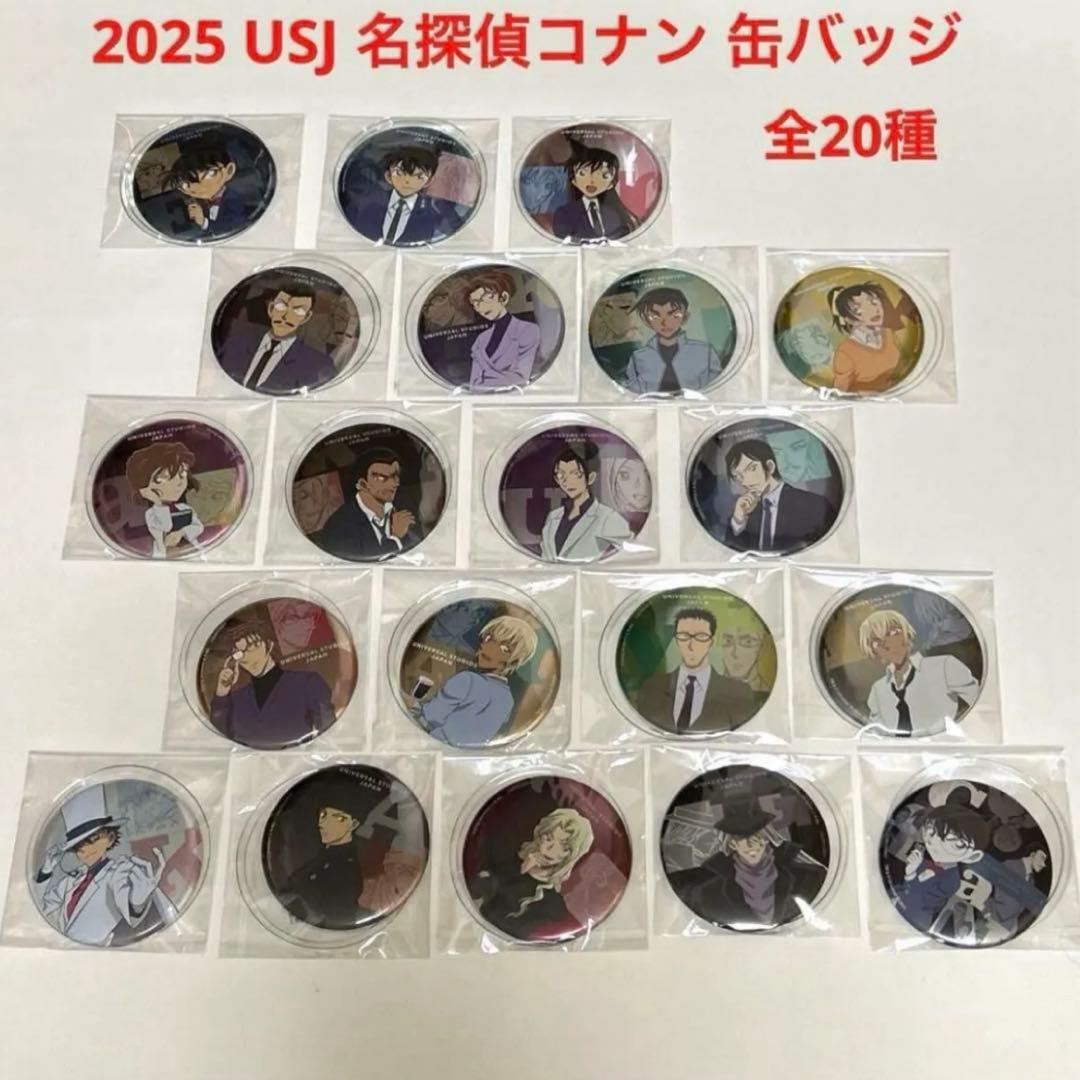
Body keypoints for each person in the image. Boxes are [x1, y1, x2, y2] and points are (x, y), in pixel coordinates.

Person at [34, 785, 177, 947]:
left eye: (93, 840)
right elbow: (42, 907)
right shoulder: (70, 881)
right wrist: (46, 871)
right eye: (78, 846)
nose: (85, 850)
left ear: (110, 838)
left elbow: (131, 909)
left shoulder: (120, 871)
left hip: (106, 956)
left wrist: (138, 902)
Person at [667, 797, 828, 929]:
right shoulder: (706, 891)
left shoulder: (810, 877)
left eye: (757, 837)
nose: (752, 845)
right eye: (742, 839)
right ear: (732, 844)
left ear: (765, 840)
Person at [408, 615, 538, 747]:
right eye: (488, 639)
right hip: (464, 755)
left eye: (505, 649)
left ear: (515, 661)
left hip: (431, 745)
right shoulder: (508, 700)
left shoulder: (467, 680)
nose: (490, 648)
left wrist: (412, 703)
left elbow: (430, 718)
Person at [468, 808, 594, 938]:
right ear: (541, 835)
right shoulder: (509, 862)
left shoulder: (553, 903)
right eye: (549, 838)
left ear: (572, 855)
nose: (550, 848)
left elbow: (517, 933)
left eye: (564, 847)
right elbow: (475, 891)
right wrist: (521, 870)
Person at [208, 618, 335, 748]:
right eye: (239, 652)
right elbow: (218, 739)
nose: (248, 656)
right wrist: (222, 692)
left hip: (299, 758)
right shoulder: (235, 699)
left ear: (269, 645)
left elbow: (330, 735)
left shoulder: (307, 683)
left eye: (253, 646)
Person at [635, 608, 757, 734]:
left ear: (711, 642)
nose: (691, 645)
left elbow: (742, 736)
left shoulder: (738, 692)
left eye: (700, 637)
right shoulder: (651, 688)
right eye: (684, 636)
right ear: (676, 640)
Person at [859, 609, 980, 735]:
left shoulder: (944, 665)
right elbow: (876, 734)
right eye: (877, 642)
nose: (887, 645)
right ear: (872, 650)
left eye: (893, 633)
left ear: (907, 634)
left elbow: (982, 706)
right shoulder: (877, 690)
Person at [277, 783, 374, 929]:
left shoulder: (345, 869)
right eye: (323, 815)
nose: (324, 824)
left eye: (337, 818)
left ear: (353, 824)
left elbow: (334, 915)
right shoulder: (324, 856)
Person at [216, 281, 336, 393]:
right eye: (281, 306)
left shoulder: (318, 365)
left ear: (306, 317)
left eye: (298, 311)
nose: (285, 316)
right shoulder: (234, 343)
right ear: (271, 309)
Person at [723, 438, 835, 554]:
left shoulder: (814, 504)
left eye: (751, 469)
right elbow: (730, 552)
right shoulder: (746, 510)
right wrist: (738, 521)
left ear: (770, 466)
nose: (745, 482)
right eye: (738, 476)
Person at [343, 147, 462, 245]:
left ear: (429, 181)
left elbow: (458, 234)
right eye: (399, 173)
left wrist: (443, 208)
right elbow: (344, 224)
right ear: (388, 176)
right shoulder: (367, 200)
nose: (407, 181)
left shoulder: (435, 208)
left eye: (418, 176)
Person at [313, 448, 416, 561]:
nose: (395, 483)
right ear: (362, 484)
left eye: (395, 476)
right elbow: (360, 564)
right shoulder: (339, 526)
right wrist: (396, 536)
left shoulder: (400, 511)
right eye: (381, 478)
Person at [539, 443, 632, 562]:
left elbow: (633, 552)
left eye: (576, 474)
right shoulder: (553, 517)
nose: (567, 481)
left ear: (591, 478)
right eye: (561, 474)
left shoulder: (607, 517)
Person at [623, 288, 724, 394]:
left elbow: (719, 387)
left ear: (685, 317)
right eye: (654, 316)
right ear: (646, 321)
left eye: (674, 315)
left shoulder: (705, 352)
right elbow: (631, 393)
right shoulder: (638, 357)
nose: (664, 322)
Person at [827, 281, 918, 394]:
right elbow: (839, 393)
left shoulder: (888, 333)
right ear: (849, 320)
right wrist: (861, 395)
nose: (873, 311)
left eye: (874, 302)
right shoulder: (845, 352)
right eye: (858, 310)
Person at [462, 269, 542, 390]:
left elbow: (520, 377)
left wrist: (486, 380)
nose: (480, 306)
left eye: (486, 297)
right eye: (475, 303)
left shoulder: (528, 330)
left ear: (504, 297)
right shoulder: (481, 339)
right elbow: (474, 383)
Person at [125, 440, 205, 558]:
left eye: (182, 475)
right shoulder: (151, 513)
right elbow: (166, 526)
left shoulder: (184, 508)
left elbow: (198, 527)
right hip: (164, 559)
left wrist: (181, 533)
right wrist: (157, 501)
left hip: (193, 555)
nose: (179, 483)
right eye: (165, 478)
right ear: (145, 486)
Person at [552, 144, 639, 243]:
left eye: (603, 175)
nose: (592, 180)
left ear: (611, 184)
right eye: (583, 174)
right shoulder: (565, 213)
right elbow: (562, 239)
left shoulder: (614, 213)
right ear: (574, 180)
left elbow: (621, 236)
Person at [163, 142, 248, 239]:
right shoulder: (197, 203)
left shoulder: (234, 198)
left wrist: (204, 222)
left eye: (209, 175)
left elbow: (233, 225)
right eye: (186, 185)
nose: (197, 187)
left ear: (229, 170)